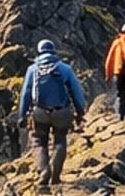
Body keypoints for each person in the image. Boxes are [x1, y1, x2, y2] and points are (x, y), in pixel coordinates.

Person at [18, 37, 86, 186]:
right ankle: (56, 176)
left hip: (39, 112)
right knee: (60, 140)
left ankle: (44, 171)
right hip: (62, 112)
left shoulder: (32, 70)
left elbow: (26, 93)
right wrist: (80, 112)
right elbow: (76, 91)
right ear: (53, 51)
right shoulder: (65, 68)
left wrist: (22, 115)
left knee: (38, 141)